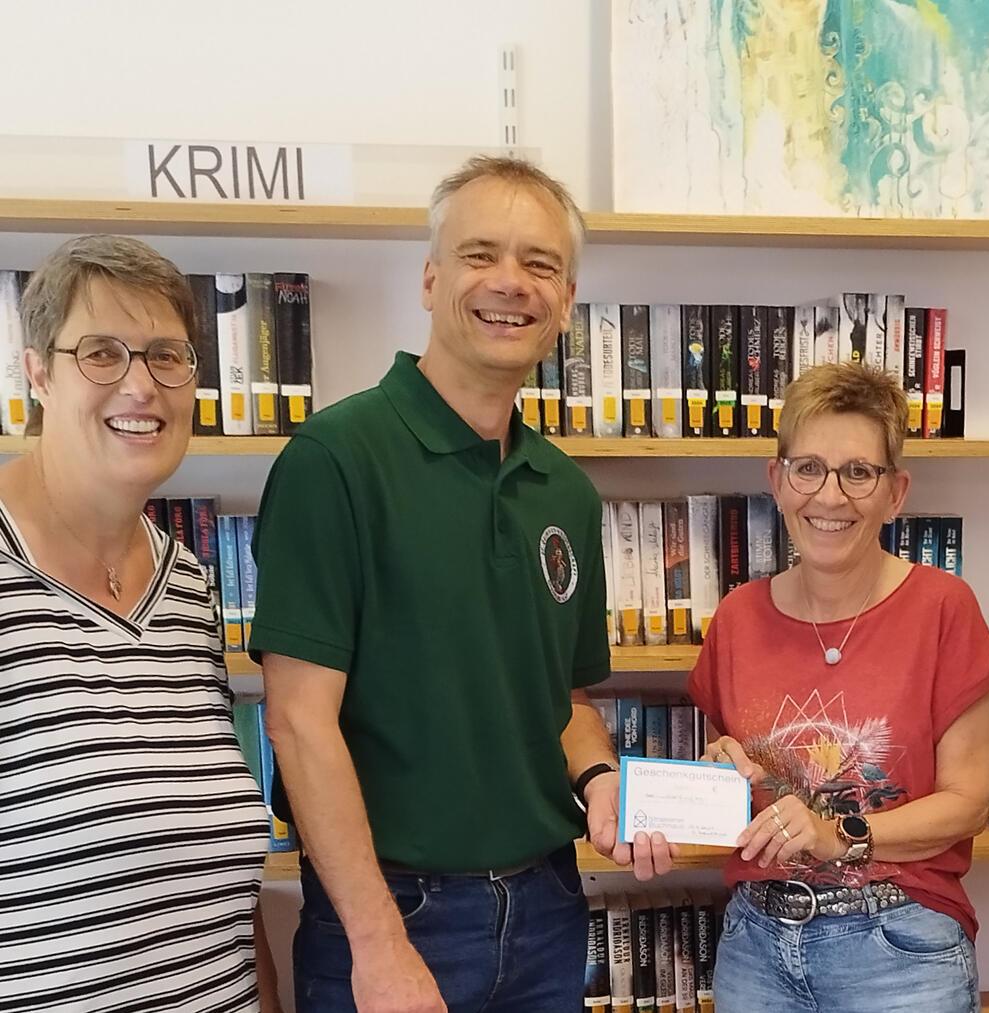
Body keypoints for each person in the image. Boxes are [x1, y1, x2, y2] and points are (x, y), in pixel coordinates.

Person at [250, 156, 674, 1013]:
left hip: (551, 909)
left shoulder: (565, 491)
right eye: (482, 254)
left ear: (566, 299)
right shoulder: (335, 461)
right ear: (432, 276)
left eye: (541, 264)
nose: (511, 283)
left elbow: (565, 699)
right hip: (397, 912)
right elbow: (298, 722)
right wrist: (376, 943)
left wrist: (600, 782)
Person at [0, 235, 280, 1011]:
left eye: (166, 355)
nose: (140, 384)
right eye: (101, 353)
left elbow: (211, 871)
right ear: (38, 376)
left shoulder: (185, 582)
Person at [688, 363, 989, 1013]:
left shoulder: (945, 608)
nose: (830, 497)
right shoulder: (737, 618)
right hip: (756, 944)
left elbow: (969, 803)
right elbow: (739, 792)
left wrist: (841, 835)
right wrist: (716, 772)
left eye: (858, 472)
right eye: (808, 468)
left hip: (898, 947)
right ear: (777, 482)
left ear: (896, 491)